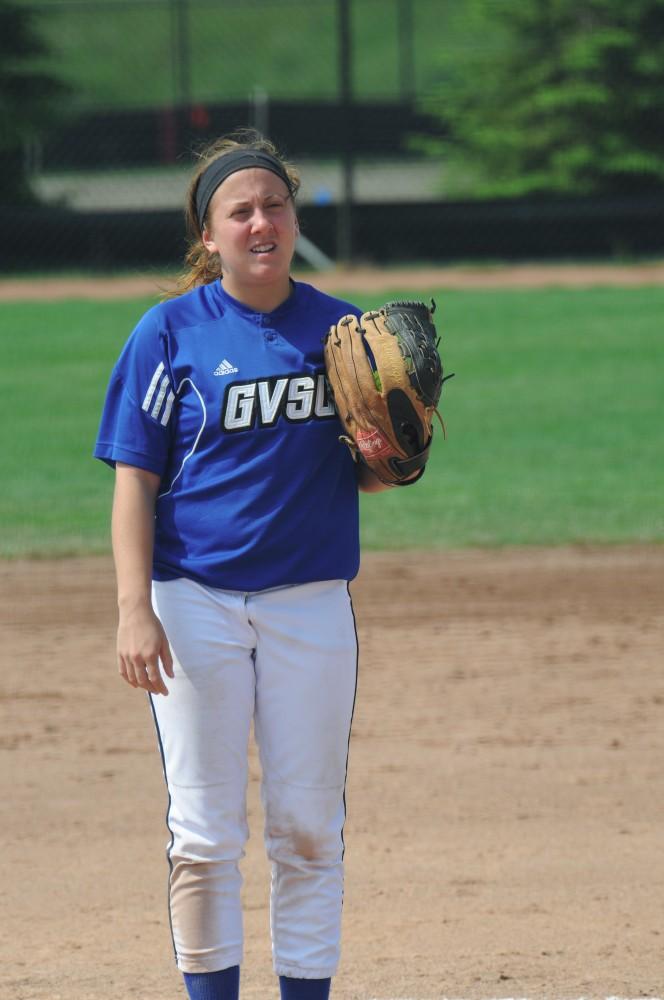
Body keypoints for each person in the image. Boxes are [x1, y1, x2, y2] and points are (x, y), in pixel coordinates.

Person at [93, 130, 393, 1000]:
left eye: (275, 205)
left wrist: (390, 449)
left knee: (308, 828)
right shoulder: (168, 333)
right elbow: (133, 479)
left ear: (295, 217)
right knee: (204, 831)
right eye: (242, 210)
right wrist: (132, 607)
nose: (262, 222)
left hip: (309, 602)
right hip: (193, 602)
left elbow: (368, 475)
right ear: (210, 234)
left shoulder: (344, 331)